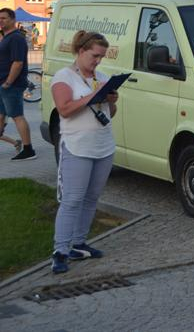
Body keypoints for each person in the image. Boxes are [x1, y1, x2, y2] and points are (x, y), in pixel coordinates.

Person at [50, 31, 119, 274]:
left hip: (103, 145)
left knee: (91, 198)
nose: (98, 61)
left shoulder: (102, 77)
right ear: (81, 51)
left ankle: (79, 244)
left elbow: (110, 113)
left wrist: (110, 100)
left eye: (101, 57)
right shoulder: (64, 76)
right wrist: (93, 97)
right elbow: (64, 109)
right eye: (94, 56)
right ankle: (60, 251)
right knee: (72, 200)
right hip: (77, 146)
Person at [0, 8, 35, 161]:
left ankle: (28, 150)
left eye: (4, 18)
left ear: (13, 20)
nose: (1, 21)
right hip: (3, 84)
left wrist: (8, 82)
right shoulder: (6, 37)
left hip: (11, 85)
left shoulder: (15, 38)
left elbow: (18, 62)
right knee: (1, 115)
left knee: (17, 116)